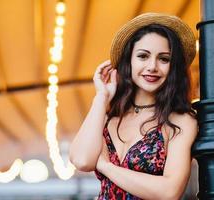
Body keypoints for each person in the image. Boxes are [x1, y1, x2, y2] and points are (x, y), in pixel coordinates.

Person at [69, 12, 198, 200]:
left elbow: (169, 192)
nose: (152, 66)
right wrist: (101, 97)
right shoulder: (109, 116)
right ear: (129, 60)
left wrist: (106, 166)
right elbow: (82, 161)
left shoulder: (181, 120)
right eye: (143, 56)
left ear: (173, 66)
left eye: (164, 59)